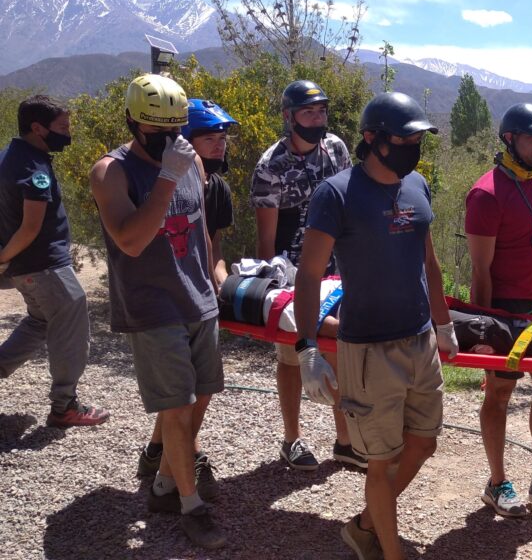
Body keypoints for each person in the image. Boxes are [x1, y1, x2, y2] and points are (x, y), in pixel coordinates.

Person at [293, 91, 458, 560]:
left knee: (423, 442)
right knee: (380, 462)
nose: (414, 146)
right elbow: (308, 273)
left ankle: (366, 524)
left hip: (420, 338)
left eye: (417, 138)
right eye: (405, 138)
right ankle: (389, 551)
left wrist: (443, 324)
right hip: (368, 349)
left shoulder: (417, 186)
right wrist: (308, 349)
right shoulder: (337, 194)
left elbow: (429, 260)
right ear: (373, 139)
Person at [89, 74, 225, 549]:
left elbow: (202, 225)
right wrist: (167, 175)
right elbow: (129, 239)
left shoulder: (190, 162)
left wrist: (212, 281)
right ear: (132, 121)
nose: (170, 141)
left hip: (197, 298)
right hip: (151, 304)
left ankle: (165, 483)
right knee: (177, 405)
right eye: (157, 131)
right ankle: (190, 505)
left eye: (176, 130)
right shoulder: (112, 171)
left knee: (200, 397)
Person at [250, 79, 365, 471]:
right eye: (307, 113)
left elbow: (351, 203)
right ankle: (291, 439)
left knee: (341, 351)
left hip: (337, 270)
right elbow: (266, 237)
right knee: (292, 355)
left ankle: (345, 441)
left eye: (321, 112)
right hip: (295, 276)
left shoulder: (336, 149)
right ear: (288, 117)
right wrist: (273, 292)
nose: (316, 120)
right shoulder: (270, 168)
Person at [465, 103, 532, 516]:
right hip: (502, 312)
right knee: (501, 395)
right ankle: (496, 482)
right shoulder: (485, 194)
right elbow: (480, 271)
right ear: (509, 139)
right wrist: (482, 330)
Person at [136, 99, 239, 500]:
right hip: (161, 299)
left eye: (222, 139)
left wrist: (222, 283)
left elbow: (211, 248)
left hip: (198, 295)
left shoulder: (220, 190)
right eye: (209, 139)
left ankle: (157, 452)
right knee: (180, 392)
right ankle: (178, 469)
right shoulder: (155, 180)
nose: (219, 146)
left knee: (197, 386)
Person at [0, 95, 109, 427]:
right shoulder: (34, 170)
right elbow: (31, 227)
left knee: (40, 322)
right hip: (45, 267)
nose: (68, 132)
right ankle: (65, 406)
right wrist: (2, 259)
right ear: (37, 127)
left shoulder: (10, 157)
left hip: (29, 269)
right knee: (71, 331)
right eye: (62, 127)